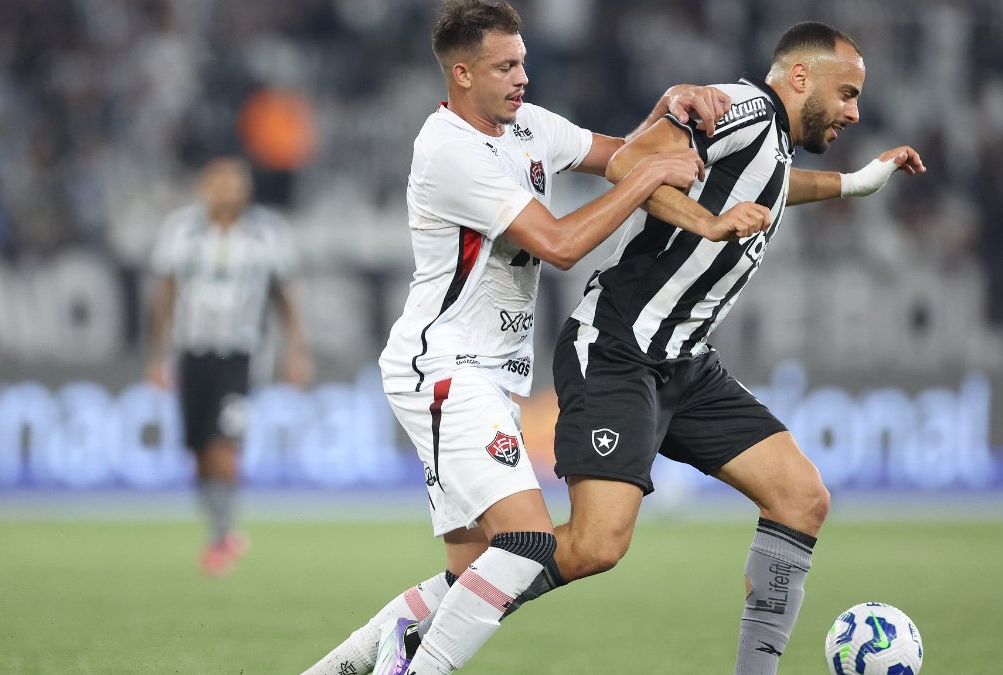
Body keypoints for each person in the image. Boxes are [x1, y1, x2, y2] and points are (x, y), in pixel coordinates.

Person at [369, 20, 929, 675]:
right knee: (592, 546)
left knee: (801, 497)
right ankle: (427, 633)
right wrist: (705, 220)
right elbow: (634, 160)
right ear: (800, 78)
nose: (854, 112)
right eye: (847, 94)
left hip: (686, 361)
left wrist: (854, 182)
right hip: (618, 347)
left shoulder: (772, 143)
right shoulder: (742, 108)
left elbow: (772, 182)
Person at [299, 1, 762, 673]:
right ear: (462, 74)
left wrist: (668, 110)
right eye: (505, 67)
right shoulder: (450, 151)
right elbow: (560, 243)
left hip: (483, 375)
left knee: (467, 578)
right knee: (526, 543)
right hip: (446, 368)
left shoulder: (529, 126)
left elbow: (623, 154)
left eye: (523, 62)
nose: (522, 77)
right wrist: (649, 176)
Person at [146, 156, 313, 578]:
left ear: (247, 189)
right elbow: (164, 294)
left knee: (224, 444)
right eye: (220, 183)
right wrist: (156, 356)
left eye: (235, 183)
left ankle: (221, 537)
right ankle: (219, 525)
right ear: (204, 188)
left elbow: (286, 298)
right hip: (191, 353)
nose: (228, 191)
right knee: (199, 450)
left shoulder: (267, 234)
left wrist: (296, 353)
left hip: (238, 356)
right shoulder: (180, 231)